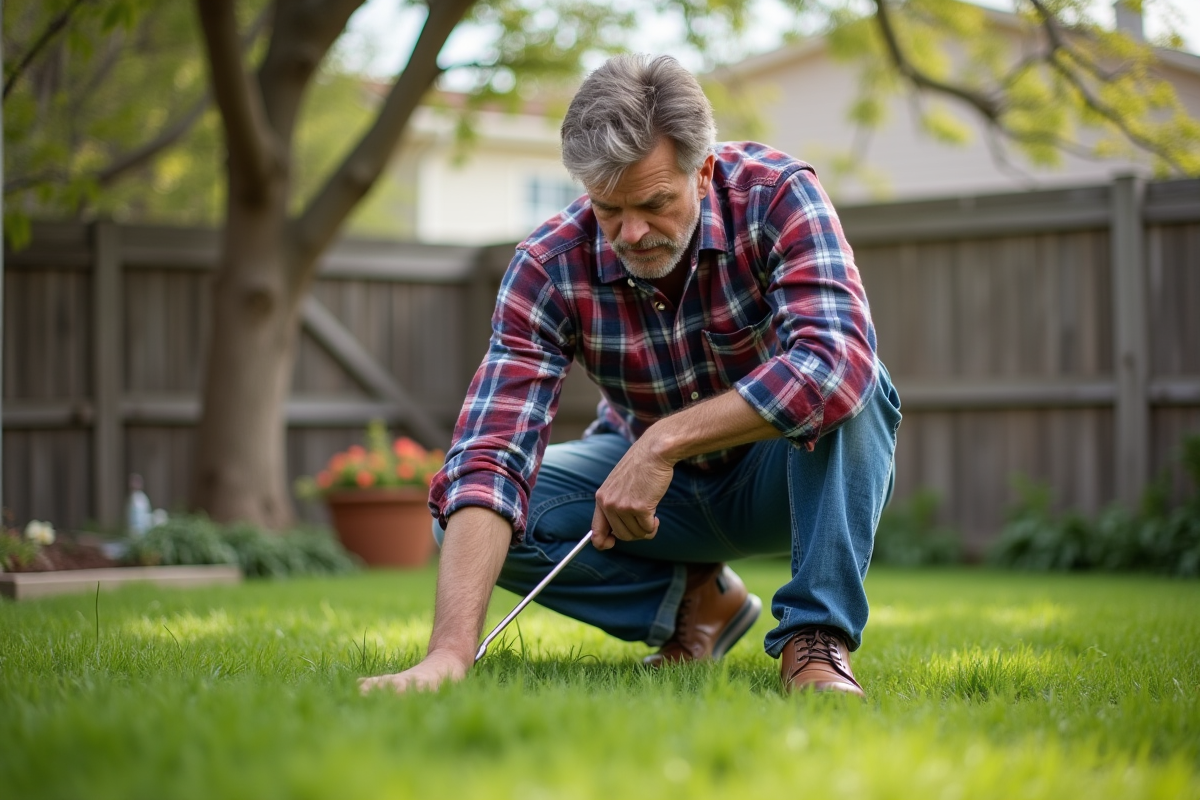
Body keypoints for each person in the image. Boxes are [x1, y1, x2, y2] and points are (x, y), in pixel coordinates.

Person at [359, 53, 901, 698]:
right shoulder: (549, 263)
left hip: (781, 477)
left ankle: (816, 644)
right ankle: (697, 606)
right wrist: (446, 654)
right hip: (651, 503)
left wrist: (663, 441)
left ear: (702, 172)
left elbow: (835, 362)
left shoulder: (777, 195)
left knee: (858, 387)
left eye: (653, 203)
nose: (631, 231)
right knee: (463, 514)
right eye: (607, 208)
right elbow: (489, 451)